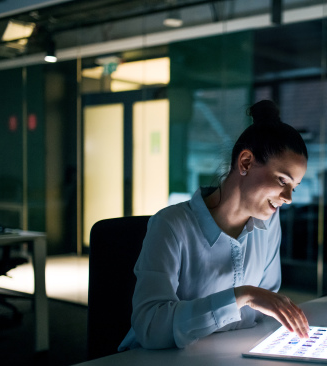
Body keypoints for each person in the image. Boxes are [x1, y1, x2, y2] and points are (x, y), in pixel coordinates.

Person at [119, 100, 310, 350]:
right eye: (282, 180)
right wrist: (243, 295)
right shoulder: (171, 225)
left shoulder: (269, 224)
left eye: (293, 187)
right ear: (245, 162)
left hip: (227, 365)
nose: (288, 198)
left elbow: (265, 311)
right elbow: (151, 328)